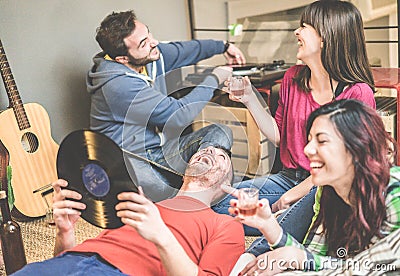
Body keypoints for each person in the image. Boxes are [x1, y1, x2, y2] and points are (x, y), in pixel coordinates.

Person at [213, 0, 376, 236]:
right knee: (221, 204)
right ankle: (283, 223)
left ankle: (280, 227)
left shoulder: (357, 93)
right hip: (288, 178)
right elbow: (280, 138)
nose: (296, 32)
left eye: (305, 26)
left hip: (327, 186)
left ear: (326, 37)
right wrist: (249, 97)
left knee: (287, 218)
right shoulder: (292, 78)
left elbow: (344, 166)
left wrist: (287, 199)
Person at [87, 10, 246, 201]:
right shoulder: (118, 84)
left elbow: (185, 50)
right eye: (143, 43)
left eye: (149, 34)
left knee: (220, 132)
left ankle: (203, 187)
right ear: (123, 59)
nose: (153, 43)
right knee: (160, 190)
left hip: (159, 151)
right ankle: (204, 194)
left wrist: (224, 46)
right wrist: (214, 78)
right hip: (129, 161)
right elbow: (178, 115)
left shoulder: (150, 56)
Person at [226, 99, 400, 275]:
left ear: (357, 147)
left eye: (322, 141)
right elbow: (315, 257)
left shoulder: (394, 194)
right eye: (309, 140)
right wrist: (270, 227)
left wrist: (300, 259)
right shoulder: (328, 190)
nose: (307, 150)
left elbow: (374, 268)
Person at [12, 146, 245, 276]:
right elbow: (70, 259)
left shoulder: (226, 225)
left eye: (221, 157)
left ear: (227, 185)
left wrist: (161, 236)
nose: (210, 152)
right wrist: (65, 232)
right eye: (205, 149)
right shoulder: (141, 204)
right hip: (71, 262)